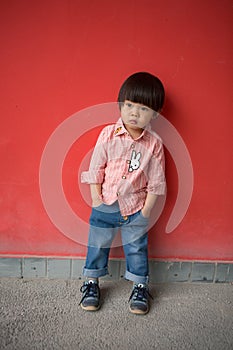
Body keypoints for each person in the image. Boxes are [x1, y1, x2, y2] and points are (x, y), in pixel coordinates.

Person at [80, 72, 166, 315]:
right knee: (97, 245)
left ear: (155, 114)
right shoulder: (108, 134)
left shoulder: (154, 144)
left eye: (142, 108)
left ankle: (140, 287)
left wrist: (146, 210)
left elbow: (157, 180)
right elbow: (96, 168)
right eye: (128, 105)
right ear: (120, 105)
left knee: (137, 247)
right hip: (105, 203)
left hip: (135, 207)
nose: (134, 113)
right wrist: (96, 199)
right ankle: (91, 283)